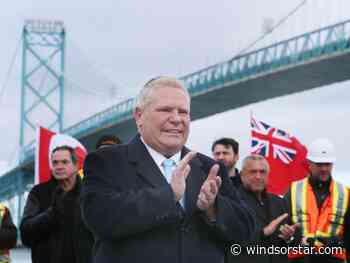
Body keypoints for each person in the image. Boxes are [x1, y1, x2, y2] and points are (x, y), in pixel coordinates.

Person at [81, 76, 256, 263]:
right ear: (139, 116)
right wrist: (169, 195)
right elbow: (101, 219)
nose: (176, 119)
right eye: (165, 110)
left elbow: (245, 231)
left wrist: (213, 208)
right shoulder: (106, 161)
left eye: (183, 112)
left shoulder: (210, 168)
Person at [20, 145, 94, 263]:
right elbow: (25, 234)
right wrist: (51, 213)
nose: (59, 167)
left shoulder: (90, 193)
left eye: (64, 162)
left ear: (76, 166)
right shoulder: (38, 192)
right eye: (55, 163)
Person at [285, 138, 350, 263]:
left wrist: (337, 241)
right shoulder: (293, 190)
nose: (324, 169)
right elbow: (284, 228)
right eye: (319, 164)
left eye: (328, 164)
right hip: (300, 259)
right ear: (309, 164)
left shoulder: (345, 193)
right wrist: (295, 238)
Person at [227, 154, 298, 263]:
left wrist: (290, 238)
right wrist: (263, 233)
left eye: (262, 172)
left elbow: (292, 244)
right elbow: (230, 241)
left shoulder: (280, 202)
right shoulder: (231, 202)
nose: (258, 176)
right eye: (253, 172)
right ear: (242, 175)